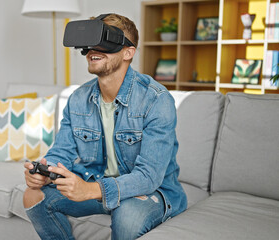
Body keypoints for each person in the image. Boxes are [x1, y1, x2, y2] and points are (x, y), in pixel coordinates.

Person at [23, 13, 187, 240]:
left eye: (104, 41)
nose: (93, 49)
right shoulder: (78, 98)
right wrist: (44, 172)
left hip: (145, 191)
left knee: (127, 218)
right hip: (96, 183)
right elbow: (62, 152)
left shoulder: (156, 100)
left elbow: (149, 176)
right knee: (33, 196)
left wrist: (90, 190)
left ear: (129, 52)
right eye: (90, 42)